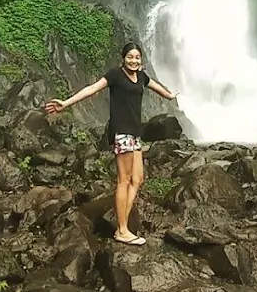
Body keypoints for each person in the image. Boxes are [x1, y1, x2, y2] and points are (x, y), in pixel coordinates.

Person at [44, 42, 178, 246]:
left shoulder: (141, 76)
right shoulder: (115, 75)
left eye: (137, 57)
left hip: (135, 133)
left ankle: (122, 224)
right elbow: (92, 89)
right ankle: (122, 230)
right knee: (124, 180)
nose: (134, 60)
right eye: (130, 57)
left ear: (141, 60)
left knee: (138, 179)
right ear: (123, 58)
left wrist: (170, 95)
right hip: (121, 131)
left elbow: (156, 86)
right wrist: (66, 103)